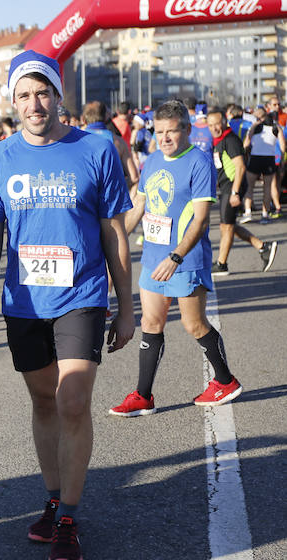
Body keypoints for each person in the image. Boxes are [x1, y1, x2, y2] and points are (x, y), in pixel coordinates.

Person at [0, 50, 135, 560]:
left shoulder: (96, 149)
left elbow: (114, 233)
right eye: (24, 95)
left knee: (72, 401)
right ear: (13, 102)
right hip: (23, 302)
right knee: (43, 403)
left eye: (43, 92)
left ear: (58, 96)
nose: (34, 103)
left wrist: (125, 306)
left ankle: (68, 519)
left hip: (81, 296)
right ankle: (53, 497)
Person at [110, 100, 242, 419]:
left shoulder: (198, 162)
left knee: (193, 324)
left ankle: (225, 381)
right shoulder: (153, 160)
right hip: (154, 256)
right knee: (150, 323)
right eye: (160, 131)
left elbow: (200, 219)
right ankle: (143, 396)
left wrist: (176, 256)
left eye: (172, 131)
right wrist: (113, 242)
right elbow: (138, 205)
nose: (165, 137)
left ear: (185, 129)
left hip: (184, 258)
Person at [206, 109, 278, 276]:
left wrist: (235, 192)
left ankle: (222, 264)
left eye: (217, 123)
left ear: (224, 122)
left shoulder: (230, 140)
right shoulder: (219, 140)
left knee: (227, 226)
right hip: (226, 186)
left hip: (232, 187)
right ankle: (262, 247)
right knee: (228, 224)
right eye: (210, 125)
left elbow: (240, 167)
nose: (214, 128)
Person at [241, 105, 285, 223]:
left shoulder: (254, 127)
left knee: (249, 186)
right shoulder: (277, 127)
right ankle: (264, 215)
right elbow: (283, 146)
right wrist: (280, 161)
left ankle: (248, 212)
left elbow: (246, 144)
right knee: (267, 187)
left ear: (258, 117)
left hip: (255, 158)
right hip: (269, 159)